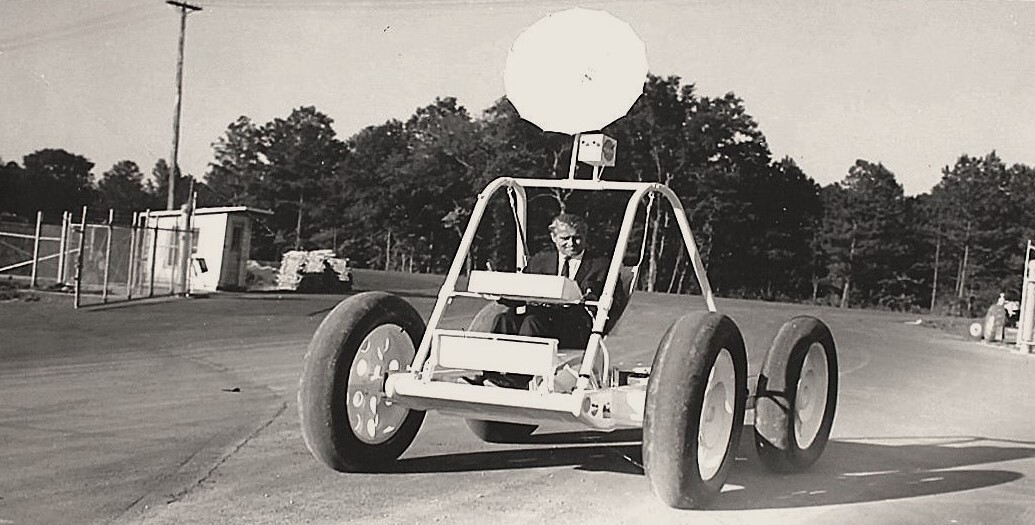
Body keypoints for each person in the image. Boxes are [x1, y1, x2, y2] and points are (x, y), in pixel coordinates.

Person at [475, 212, 627, 388]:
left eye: (577, 238)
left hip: (575, 327)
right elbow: (520, 295)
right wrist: (500, 292)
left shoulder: (602, 266)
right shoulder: (540, 262)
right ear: (553, 237)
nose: (571, 243)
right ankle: (490, 375)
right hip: (541, 321)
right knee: (504, 319)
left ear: (585, 237)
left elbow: (615, 305)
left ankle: (519, 379)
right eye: (565, 238)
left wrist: (590, 302)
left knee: (532, 322)